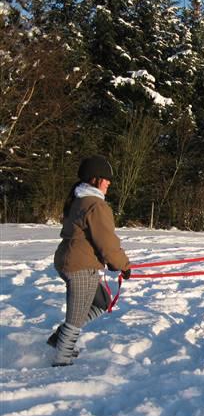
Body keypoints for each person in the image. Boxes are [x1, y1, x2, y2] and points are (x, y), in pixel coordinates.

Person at [48, 155, 131, 366]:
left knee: (102, 301)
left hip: (69, 260)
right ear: (94, 179)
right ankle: (62, 360)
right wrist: (122, 265)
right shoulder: (95, 205)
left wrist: (117, 263)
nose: (109, 182)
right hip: (80, 266)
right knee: (76, 317)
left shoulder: (79, 200)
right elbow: (107, 242)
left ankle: (60, 337)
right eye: (106, 178)